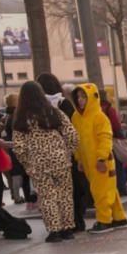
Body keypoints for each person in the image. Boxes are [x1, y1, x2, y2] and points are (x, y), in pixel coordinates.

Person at [10, 81, 79, 242]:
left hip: (38, 163)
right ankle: (68, 228)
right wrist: (67, 152)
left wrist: (27, 163)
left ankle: (54, 230)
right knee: (65, 194)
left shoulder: (21, 119)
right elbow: (72, 135)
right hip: (60, 160)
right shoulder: (54, 113)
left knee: (47, 196)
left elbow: (19, 147)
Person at [70, 84, 127, 234]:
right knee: (108, 189)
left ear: (93, 98)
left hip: (101, 161)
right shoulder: (76, 117)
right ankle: (119, 217)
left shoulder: (99, 117)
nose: (81, 100)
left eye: (84, 97)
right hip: (89, 162)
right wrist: (79, 159)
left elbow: (105, 139)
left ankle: (104, 221)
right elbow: (77, 141)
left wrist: (101, 158)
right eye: (78, 97)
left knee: (100, 191)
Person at [38, 73, 89, 231]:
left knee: (51, 193)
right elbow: (71, 129)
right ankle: (75, 221)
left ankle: (58, 225)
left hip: (45, 155)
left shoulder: (38, 107)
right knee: (71, 190)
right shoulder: (64, 103)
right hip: (66, 154)